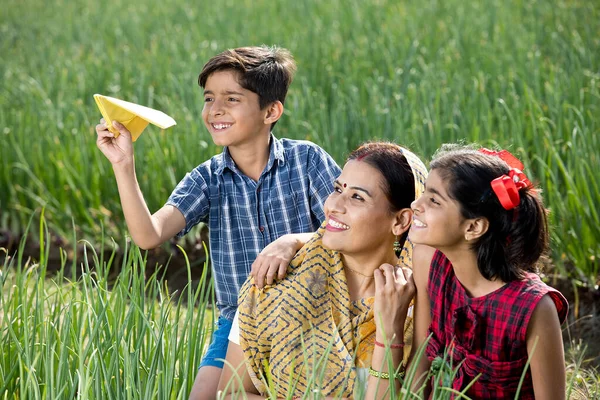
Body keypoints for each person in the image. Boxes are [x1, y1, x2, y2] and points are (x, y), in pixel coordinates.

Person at [94, 45, 341, 400]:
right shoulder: (207, 179)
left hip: (311, 316)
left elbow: (348, 229)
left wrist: (294, 241)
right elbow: (149, 234)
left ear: (271, 110)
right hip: (239, 323)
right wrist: (123, 165)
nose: (215, 110)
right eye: (209, 99)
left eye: (232, 99)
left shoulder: (307, 161)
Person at [217, 142, 428, 399]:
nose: (333, 206)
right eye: (337, 189)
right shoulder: (273, 284)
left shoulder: (419, 306)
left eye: (357, 197)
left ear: (400, 220)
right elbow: (229, 393)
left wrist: (389, 330)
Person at [409, 144, 569, 399]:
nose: (416, 205)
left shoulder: (534, 308)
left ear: (474, 227)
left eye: (434, 200)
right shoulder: (428, 261)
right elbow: (422, 357)